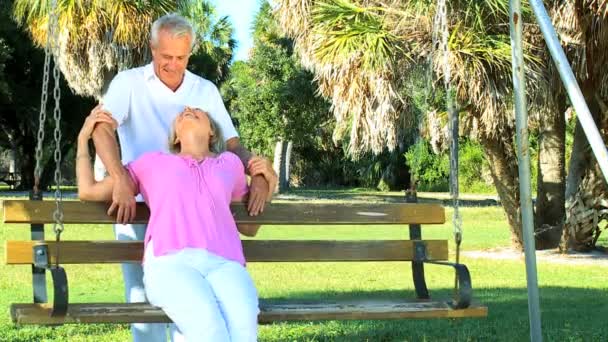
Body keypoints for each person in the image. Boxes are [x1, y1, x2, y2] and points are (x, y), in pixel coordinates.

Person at [90, 13, 277, 341]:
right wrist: (119, 175)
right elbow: (102, 129)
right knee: (144, 310)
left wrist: (258, 173)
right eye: (166, 57)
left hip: (197, 218)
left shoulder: (203, 90)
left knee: (197, 312)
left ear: (190, 53)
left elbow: (233, 145)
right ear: (152, 48)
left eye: (181, 57)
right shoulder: (128, 83)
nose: (173, 64)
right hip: (135, 207)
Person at [78, 107, 265, 341]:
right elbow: (88, 190)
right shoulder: (151, 164)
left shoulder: (230, 164)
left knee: (244, 332)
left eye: (198, 111)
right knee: (209, 330)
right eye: (181, 114)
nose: (188, 110)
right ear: (176, 137)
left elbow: (250, 226)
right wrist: (82, 140)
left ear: (212, 133)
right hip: (171, 263)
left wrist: (266, 179)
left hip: (226, 264)